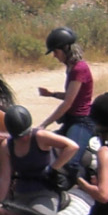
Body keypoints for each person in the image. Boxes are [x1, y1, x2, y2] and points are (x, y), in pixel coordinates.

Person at [38, 27, 94, 178]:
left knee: (70, 162)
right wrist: (51, 94)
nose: (55, 56)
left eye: (56, 52)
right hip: (71, 120)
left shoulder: (79, 69)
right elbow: (72, 96)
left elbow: (68, 103)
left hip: (81, 122)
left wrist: (44, 124)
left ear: (65, 49)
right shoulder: (72, 68)